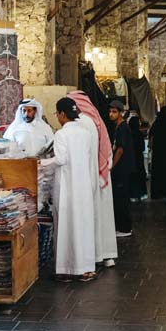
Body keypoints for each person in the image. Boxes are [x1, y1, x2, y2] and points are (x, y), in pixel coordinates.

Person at [68, 90, 118, 268]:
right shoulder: (95, 121)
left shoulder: (80, 123)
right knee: (103, 217)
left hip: (87, 175)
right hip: (100, 175)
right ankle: (106, 255)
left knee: (90, 216)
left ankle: (92, 256)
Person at [53, 97, 97, 281]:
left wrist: (41, 163)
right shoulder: (85, 133)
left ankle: (66, 270)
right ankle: (85, 269)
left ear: (63, 114)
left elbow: (61, 159)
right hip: (83, 187)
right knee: (83, 226)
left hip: (67, 188)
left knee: (66, 226)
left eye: (57, 114)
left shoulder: (61, 134)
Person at [108, 99, 134, 237]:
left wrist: (112, 165)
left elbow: (120, 150)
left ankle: (125, 228)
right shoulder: (118, 127)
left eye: (114, 112)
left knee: (121, 198)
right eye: (110, 111)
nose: (111, 114)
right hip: (121, 168)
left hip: (122, 168)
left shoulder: (123, 128)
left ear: (120, 113)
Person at [128, 110, 148, 201]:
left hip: (131, 158)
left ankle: (134, 195)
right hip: (139, 157)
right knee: (140, 175)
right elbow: (143, 148)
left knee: (133, 176)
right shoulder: (139, 134)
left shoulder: (129, 134)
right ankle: (143, 193)